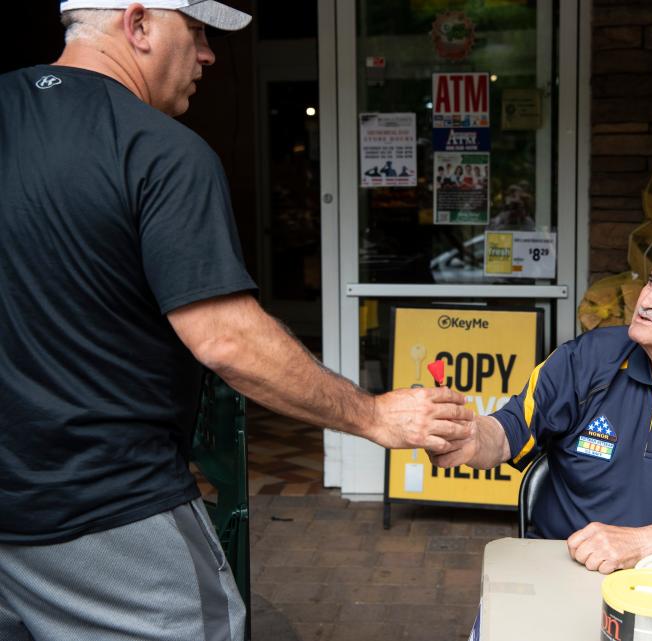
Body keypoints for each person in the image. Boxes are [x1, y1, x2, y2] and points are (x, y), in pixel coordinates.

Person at [0, 3, 472, 641]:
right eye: (195, 32)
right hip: (107, 512)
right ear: (137, 26)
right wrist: (375, 416)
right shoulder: (158, 150)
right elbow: (225, 339)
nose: (208, 55)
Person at [435, 212, 652, 576]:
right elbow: (508, 431)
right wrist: (470, 436)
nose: (648, 300)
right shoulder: (589, 358)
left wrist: (649, 543)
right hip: (566, 571)